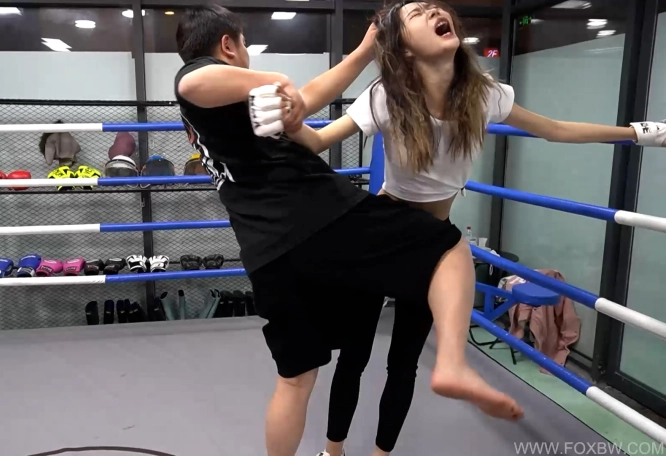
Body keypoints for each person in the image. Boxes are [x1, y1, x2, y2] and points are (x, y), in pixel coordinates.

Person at [274, 2, 666, 455]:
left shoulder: (484, 95)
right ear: (404, 50)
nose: (433, 11)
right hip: (380, 236)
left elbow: (556, 129)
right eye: (417, 14)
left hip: (431, 246)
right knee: (355, 357)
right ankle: (333, 451)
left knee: (403, 365)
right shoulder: (386, 95)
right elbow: (319, 140)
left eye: (433, 7)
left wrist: (636, 133)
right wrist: (292, 123)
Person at [174, 5, 524, 456]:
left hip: (267, 253)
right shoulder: (199, 79)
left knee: (295, 379)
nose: (247, 56)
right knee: (447, 245)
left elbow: (307, 100)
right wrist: (275, 79)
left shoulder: (221, 113)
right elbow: (195, 82)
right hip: (320, 217)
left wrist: (361, 53)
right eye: (243, 46)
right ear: (228, 45)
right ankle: (453, 363)